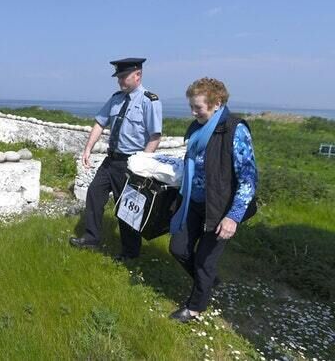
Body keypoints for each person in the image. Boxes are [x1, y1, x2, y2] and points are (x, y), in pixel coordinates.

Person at [168, 77, 258, 323]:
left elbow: (248, 178)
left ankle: (195, 307)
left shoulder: (234, 130)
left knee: (205, 261)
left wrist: (233, 217)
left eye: (197, 107)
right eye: (192, 106)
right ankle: (207, 282)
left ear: (216, 103)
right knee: (178, 249)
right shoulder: (198, 127)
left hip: (220, 208)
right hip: (193, 202)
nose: (192, 111)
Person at [69, 57, 162, 260]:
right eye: (118, 77)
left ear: (138, 75)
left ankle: (130, 253)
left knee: (127, 208)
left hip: (131, 163)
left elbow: (155, 136)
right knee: (94, 194)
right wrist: (88, 149)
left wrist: (142, 165)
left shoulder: (149, 101)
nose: (120, 81)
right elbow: (99, 124)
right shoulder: (116, 98)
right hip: (111, 160)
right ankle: (91, 238)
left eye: (123, 76)